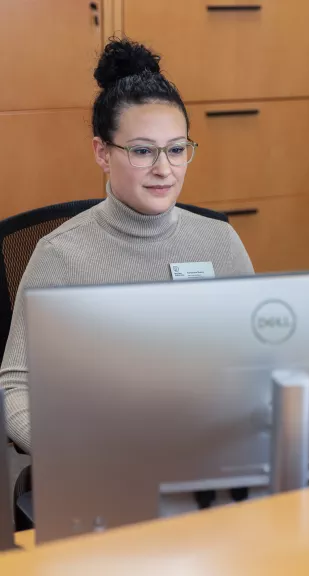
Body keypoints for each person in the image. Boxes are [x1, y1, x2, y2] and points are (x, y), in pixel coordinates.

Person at [0, 38, 254, 454]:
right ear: (102, 152)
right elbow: (16, 386)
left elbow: (257, 359)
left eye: (176, 150)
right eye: (142, 151)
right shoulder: (59, 256)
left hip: (206, 449)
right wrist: (76, 450)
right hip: (102, 460)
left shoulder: (219, 242)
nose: (164, 170)